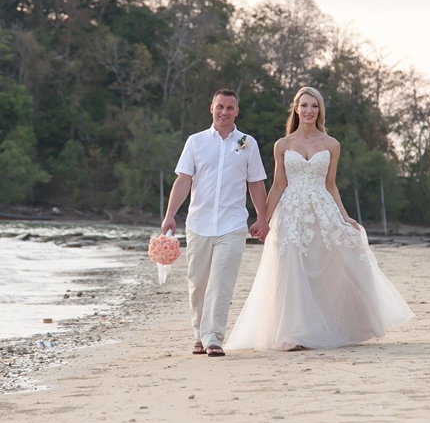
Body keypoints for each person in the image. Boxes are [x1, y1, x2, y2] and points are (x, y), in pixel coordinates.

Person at [225, 87, 414, 352]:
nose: (309, 111)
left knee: (326, 265)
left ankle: (331, 325)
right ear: (296, 108)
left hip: (321, 209)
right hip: (290, 212)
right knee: (290, 269)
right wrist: (264, 219)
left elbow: (331, 185)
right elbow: (278, 185)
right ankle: (292, 334)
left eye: (314, 106)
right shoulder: (283, 144)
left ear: (319, 110)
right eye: (304, 105)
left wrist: (345, 216)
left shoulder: (331, 144)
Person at [161, 89, 269, 357]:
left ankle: (213, 338)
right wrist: (170, 214)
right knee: (198, 282)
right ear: (211, 108)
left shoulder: (248, 143)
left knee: (222, 282)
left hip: (233, 226)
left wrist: (262, 218)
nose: (224, 112)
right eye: (220, 106)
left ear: (237, 111)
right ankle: (198, 333)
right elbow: (183, 180)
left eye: (229, 108)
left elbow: (255, 183)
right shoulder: (195, 142)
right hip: (198, 223)